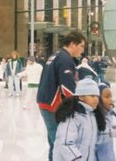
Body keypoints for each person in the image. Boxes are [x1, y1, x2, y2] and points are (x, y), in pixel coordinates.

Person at [36, 32, 85, 160]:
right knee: (60, 142)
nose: (82, 50)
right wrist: (79, 105)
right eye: (81, 46)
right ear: (73, 44)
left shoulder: (55, 55)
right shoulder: (65, 59)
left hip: (45, 102)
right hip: (53, 105)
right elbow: (68, 88)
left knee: (55, 142)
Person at [52, 78, 105, 161]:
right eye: (92, 96)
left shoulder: (92, 115)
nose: (96, 99)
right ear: (81, 97)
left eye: (97, 96)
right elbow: (65, 143)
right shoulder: (73, 117)